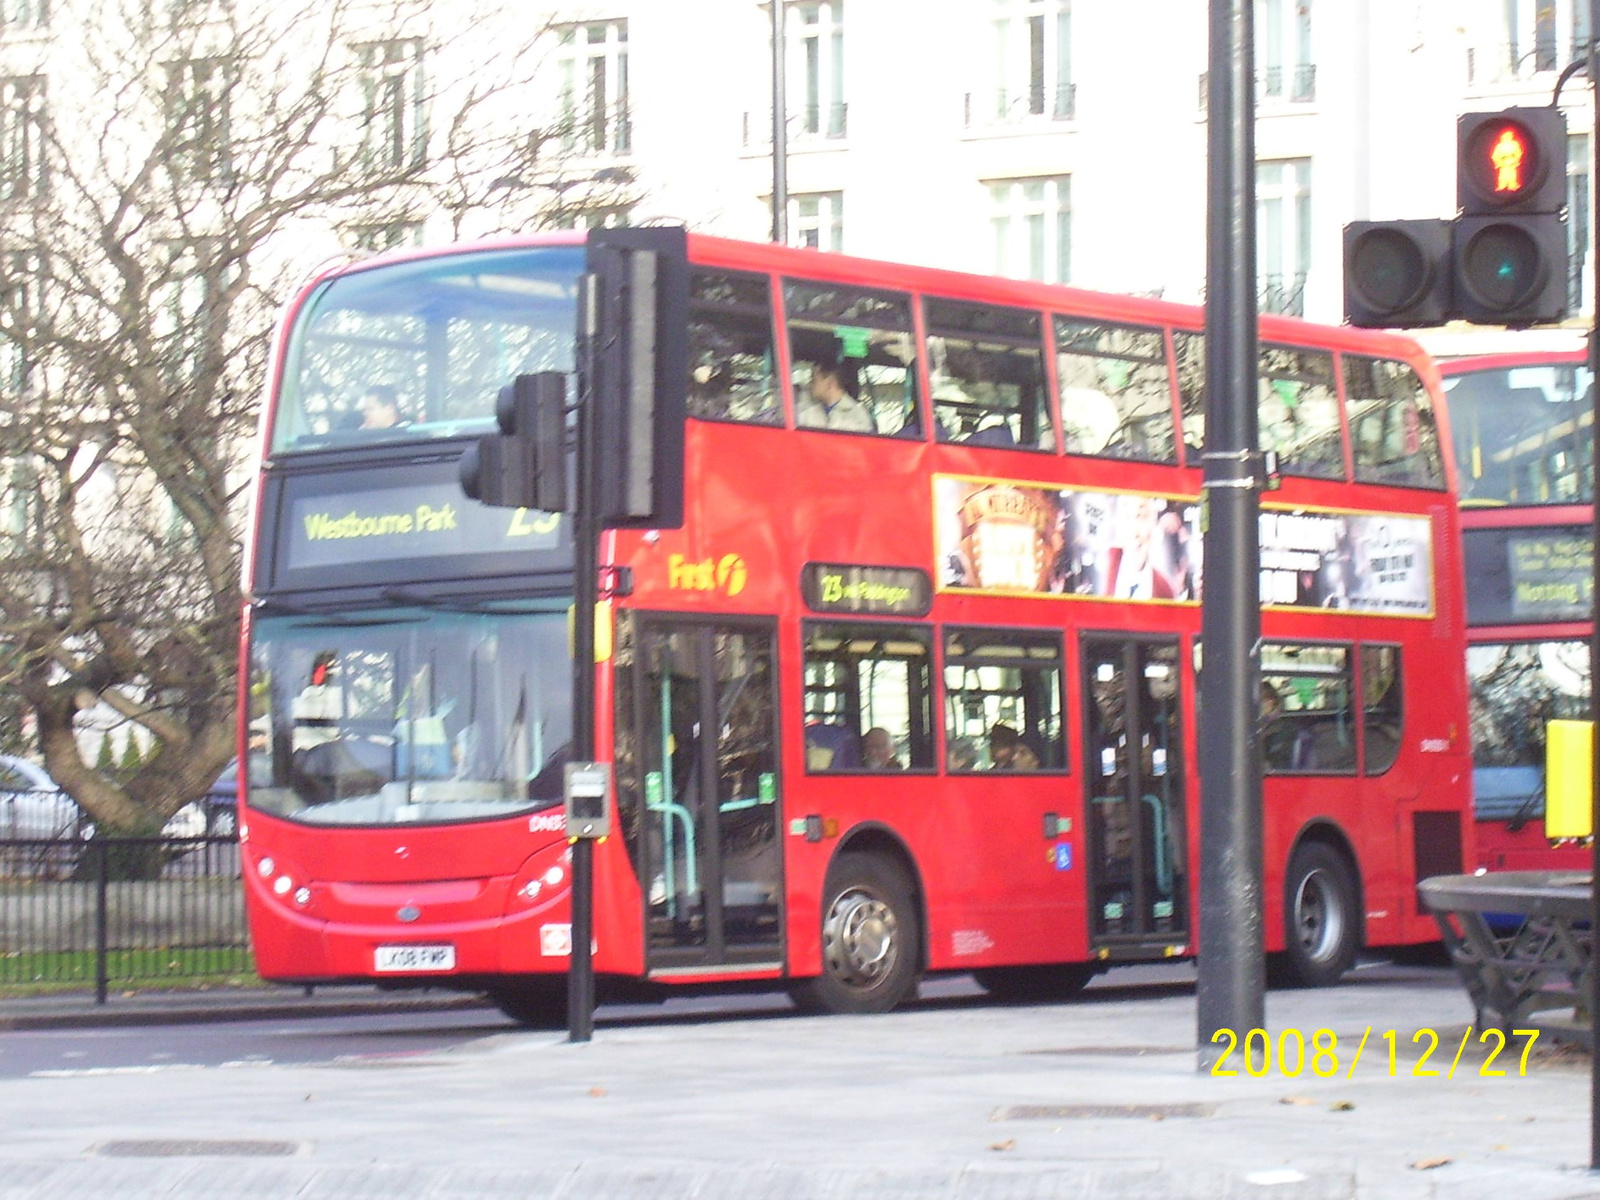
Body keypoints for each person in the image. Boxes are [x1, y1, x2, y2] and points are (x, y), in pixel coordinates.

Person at [796, 362, 875, 433]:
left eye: (814, 380)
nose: (810, 385)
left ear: (829, 383)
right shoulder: (808, 412)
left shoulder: (857, 415)